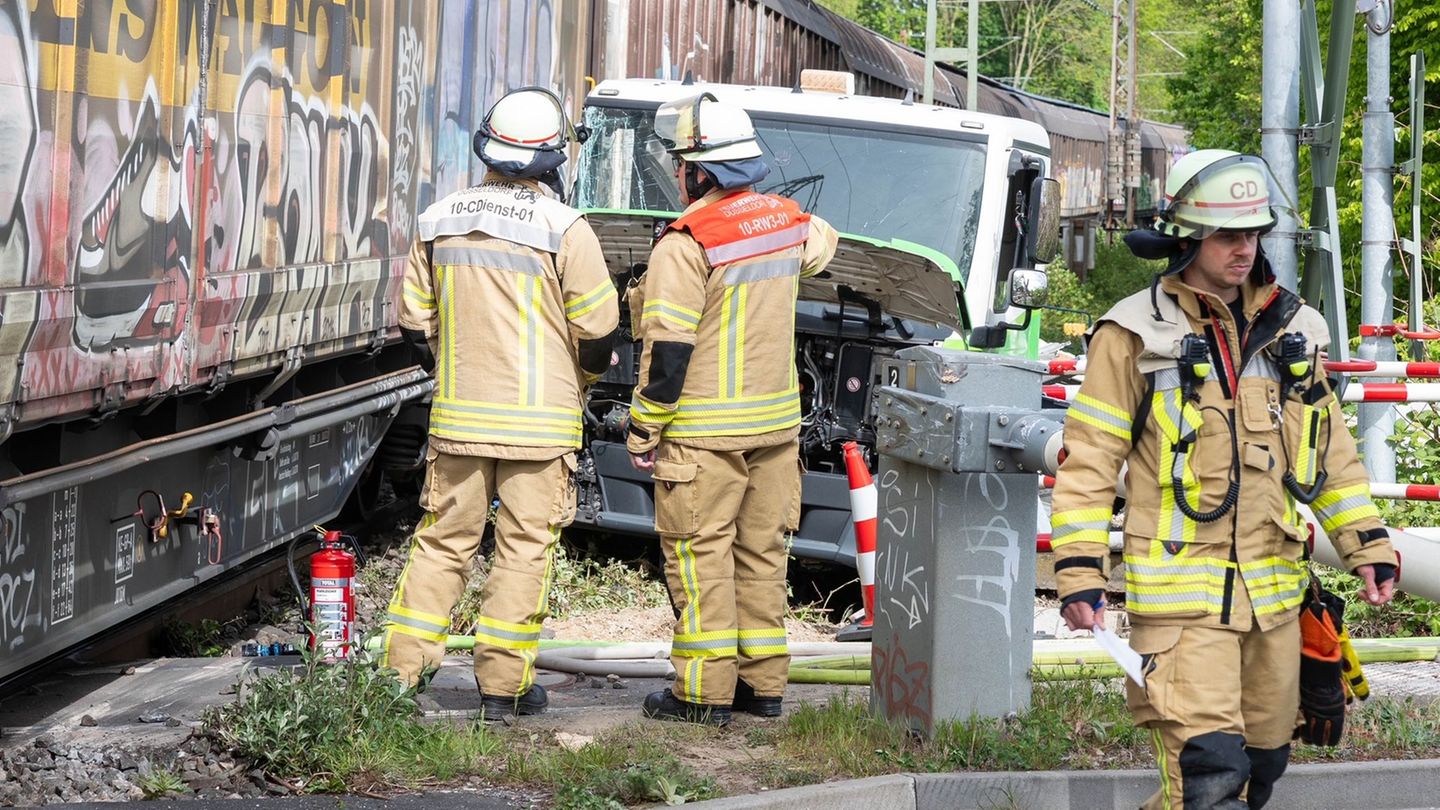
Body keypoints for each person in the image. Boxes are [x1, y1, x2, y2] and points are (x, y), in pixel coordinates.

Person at [1051, 149, 1397, 808]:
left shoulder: (1296, 332)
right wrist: (1079, 572)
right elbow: (1090, 460)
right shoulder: (1132, 334)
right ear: (1186, 236)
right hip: (1183, 614)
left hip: (1274, 611)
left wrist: (1368, 547)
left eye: (1254, 233)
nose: (1244, 249)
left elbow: (1328, 458)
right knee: (1209, 776)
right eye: (1227, 234)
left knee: (1259, 771)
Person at [380, 87, 620, 719]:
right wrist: (582, 383)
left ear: (488, 146)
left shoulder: (438, 220)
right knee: (523, 552)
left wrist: (454, 373)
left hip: (459, 423)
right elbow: (598, 335)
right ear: (551, 158)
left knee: (439, 546)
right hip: (540, 434)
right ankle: (501, 691)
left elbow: (412, 324)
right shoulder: (567, 230)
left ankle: (398, 680)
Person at [625, 93, 838, 726]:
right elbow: (821, 244)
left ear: (698, 171)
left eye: (681, 166)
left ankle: (701, 693)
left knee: (700, 559)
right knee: (762, 555)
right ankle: (763, 687)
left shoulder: (684, 245)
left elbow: (667, 354)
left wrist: (642, 431)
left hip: (703, 436)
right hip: (775, 430)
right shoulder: (789, 221)